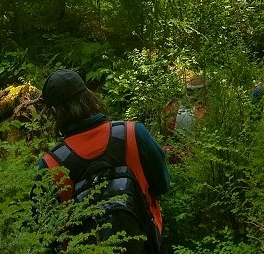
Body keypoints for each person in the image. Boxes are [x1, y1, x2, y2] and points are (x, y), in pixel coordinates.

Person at [38, 69, 170, 253]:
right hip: (143, 244)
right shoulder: (133, 133)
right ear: (89, 97)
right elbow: (163, 185)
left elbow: (44, 231)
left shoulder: (51, 164)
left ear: (54, 113)